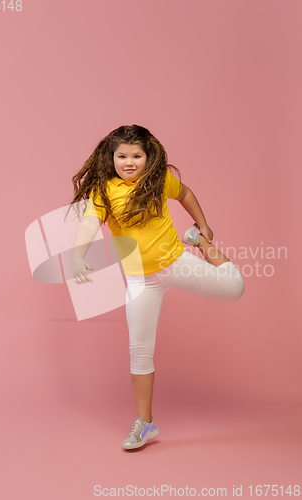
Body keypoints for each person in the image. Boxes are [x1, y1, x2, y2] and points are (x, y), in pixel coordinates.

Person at [65, 124, 245, 451]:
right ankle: (145, 423)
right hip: (140, 281)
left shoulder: (158, 180)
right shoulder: (105, 191)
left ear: (149, 157)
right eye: (122, 156)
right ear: (111, 157)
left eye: (136, 155)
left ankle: (198, 242)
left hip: (175, 261)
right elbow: (89, 223)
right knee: (140, 351)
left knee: (235, 288)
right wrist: (78, 256)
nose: (129, 161)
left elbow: (186, 193)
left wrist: (202, 225)